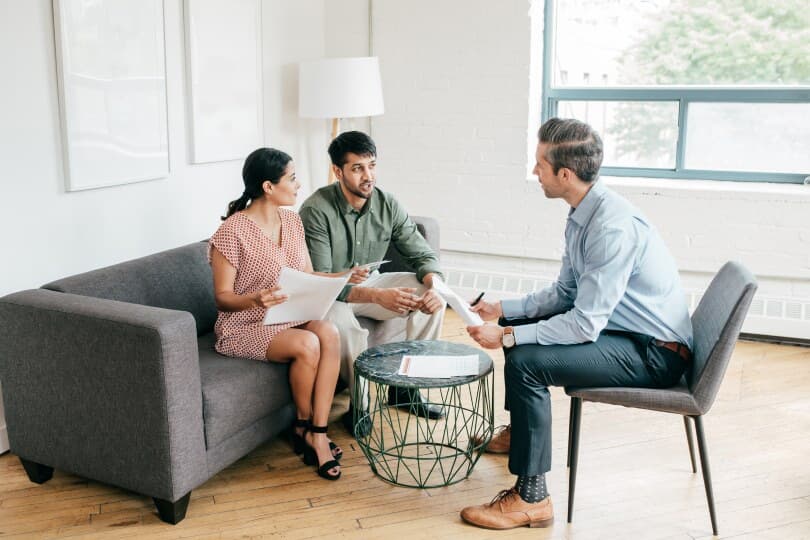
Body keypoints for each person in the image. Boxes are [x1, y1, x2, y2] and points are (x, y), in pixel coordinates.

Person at [460, 118, 693, 529]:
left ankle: (532, 498)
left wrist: (509, 334)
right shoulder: (584, 211)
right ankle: (523, 435)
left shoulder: (610, 228)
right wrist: (503, 309)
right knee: (520, 338)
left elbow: (584, 324)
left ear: (564, 174)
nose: (535, 173)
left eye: (539, 166)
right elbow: (565, 294)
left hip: (654, 353)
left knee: (524, 360)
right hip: (624, 332)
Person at [209, 147, 364, 481]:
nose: (298, 185)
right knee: (308, 344)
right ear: (268, 186)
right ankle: (305, 427)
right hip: (243, 324)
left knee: (329, 332)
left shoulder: (292, 221)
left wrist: (346, 275)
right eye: (292, 178)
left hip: (289, 315)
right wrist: (255, 300)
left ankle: (317, 432)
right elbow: (222, 298)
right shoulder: (231, 232)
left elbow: (306, 274)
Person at [299, 131, 447, 437]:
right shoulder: (316, 210)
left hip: (371, 283)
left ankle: (405, 389)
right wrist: (380, 297)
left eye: (372, 165)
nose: (368, 176)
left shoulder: (387, 204)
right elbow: (324, 282)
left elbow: (421, 253)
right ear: (338, 172)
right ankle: (360, 405)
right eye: (357, 168)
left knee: (433, 299)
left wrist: (433, 285)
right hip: (329, 294)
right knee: (345, 327)